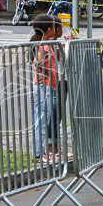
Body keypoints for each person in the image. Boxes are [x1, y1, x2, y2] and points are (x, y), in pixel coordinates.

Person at [30, 14, 64, 162]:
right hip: (44, 86)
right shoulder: (42, 45)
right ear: (49, 29)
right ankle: (39, 153)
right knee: (42, 119)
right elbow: (38, 63)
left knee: (46, 118)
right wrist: (48, 73)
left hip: (48, 85)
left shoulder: (48, 43)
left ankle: (43, 152)